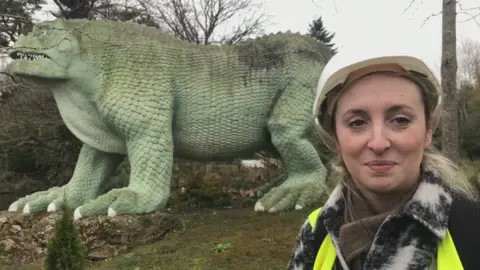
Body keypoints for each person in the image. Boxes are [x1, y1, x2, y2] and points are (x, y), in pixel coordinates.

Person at [286, 45, 480, 270]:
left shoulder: (473, 228)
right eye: (357, 123)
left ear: (427, 131)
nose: (378, 143)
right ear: (336, 139)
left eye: (400, 120)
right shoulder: (314, 234)